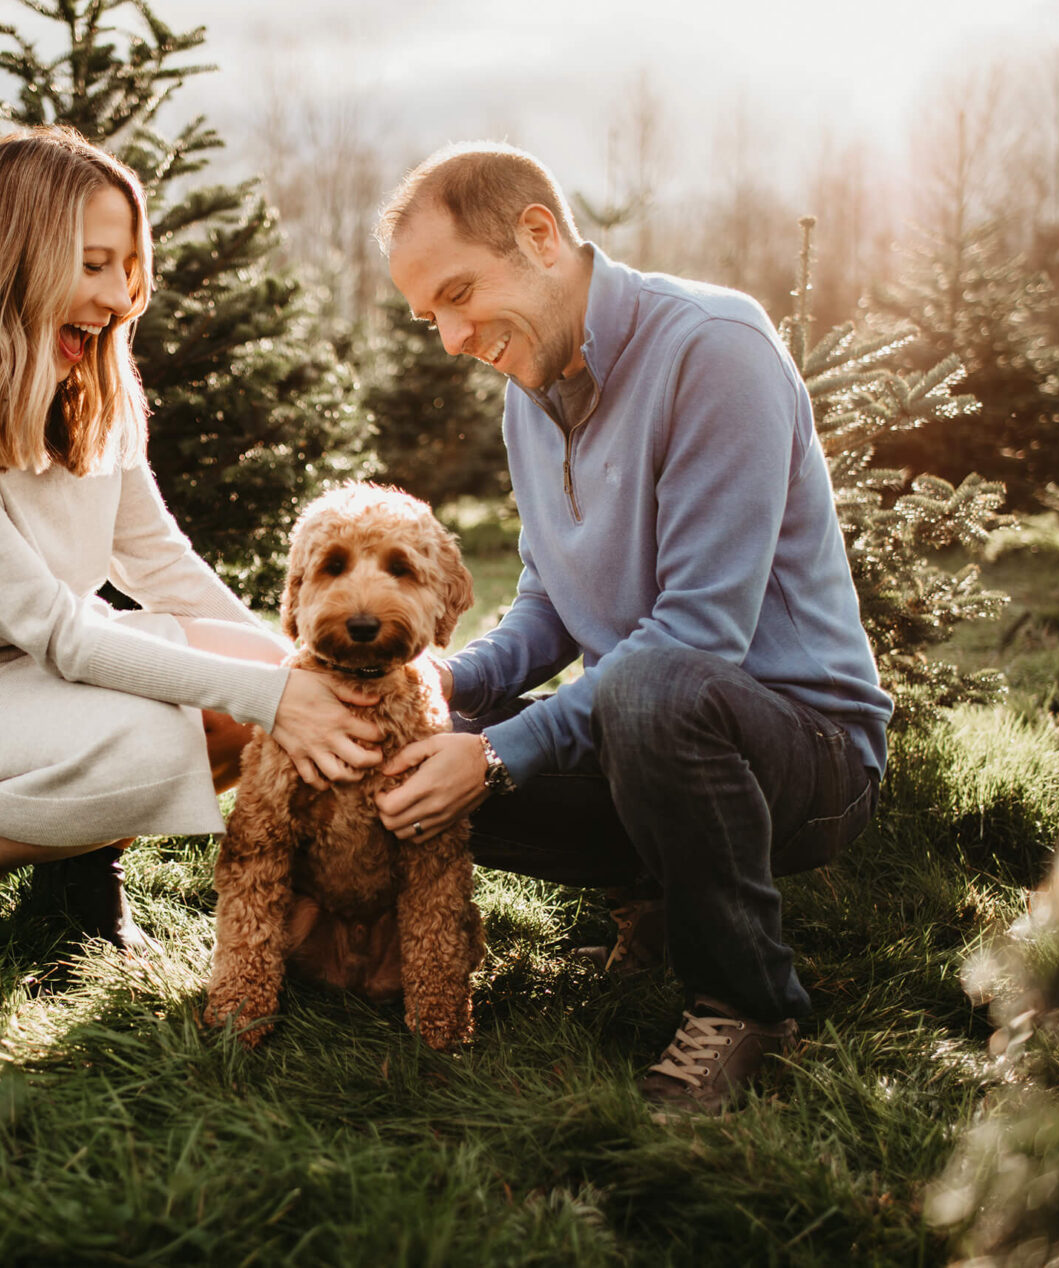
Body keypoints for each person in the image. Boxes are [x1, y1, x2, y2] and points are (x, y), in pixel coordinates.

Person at [369, 142, 892, 1116]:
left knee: (655, 688)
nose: (446, 337)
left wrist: (491, 756)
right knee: (394, 744)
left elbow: (695, 636)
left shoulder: (712, 348)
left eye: (457, 293)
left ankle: (748, 998)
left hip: (802, 752)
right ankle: (657, 896)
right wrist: (444, 687)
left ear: (536, 235)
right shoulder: (528, 398)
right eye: (427, 315)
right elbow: (551, 603)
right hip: (647, 742)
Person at [0, 126, 381, 954]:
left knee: (256, 684)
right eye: (93, 265)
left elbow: (158, 559)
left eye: (127, 266)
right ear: (12, 259)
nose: (121, 296)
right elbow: (56, 629)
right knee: (161, 744)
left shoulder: (90, 382)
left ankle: (81, 864)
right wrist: (270, 697)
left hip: (41, 672)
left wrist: (292, 672)